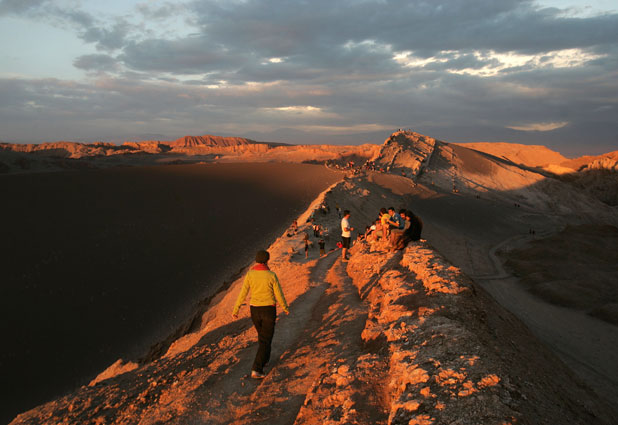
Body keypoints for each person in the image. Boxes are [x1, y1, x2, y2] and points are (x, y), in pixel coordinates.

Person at [232, 250, 289, 379]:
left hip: (255, 311)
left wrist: (236, 309)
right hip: (269, 310)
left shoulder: (250, 274)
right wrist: (285, 307)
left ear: (257, 260)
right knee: (265, 339)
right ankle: (256, 369)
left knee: (263, 337)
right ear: (267, 260)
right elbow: (278, 293)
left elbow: (243, 292)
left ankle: (265, 360)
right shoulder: (271, 275)